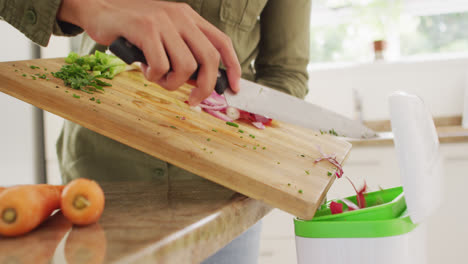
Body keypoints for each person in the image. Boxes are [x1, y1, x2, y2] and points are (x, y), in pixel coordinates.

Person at [0, 0, 311, 263]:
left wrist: (251, 130)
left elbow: (286, 72)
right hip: (102, 190)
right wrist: (86, 6)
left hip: (225, 198)